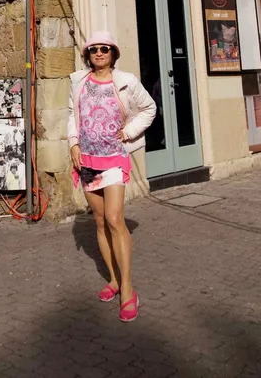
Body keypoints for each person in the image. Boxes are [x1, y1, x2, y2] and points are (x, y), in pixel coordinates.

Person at [67, 31, 156, 323]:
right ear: (88, 54)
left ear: (113, 53)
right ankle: (114, 280)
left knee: (116, 219)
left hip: (114, 160)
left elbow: (149, 109)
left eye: (105, 49)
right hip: (88, 161)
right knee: (100, 221)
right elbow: (72, 114)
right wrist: (73, 143)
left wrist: (128, 132)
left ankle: (128, 289)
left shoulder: (127, 81)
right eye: (94, 49)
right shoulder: (79, 81)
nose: (99, 53)